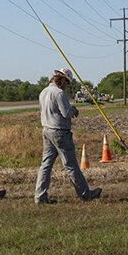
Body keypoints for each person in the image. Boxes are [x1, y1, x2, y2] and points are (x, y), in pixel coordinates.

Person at [34, 69, 101, 204]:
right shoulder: (59, 93)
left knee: (45, 165)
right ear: (63, 80)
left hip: (46, 130)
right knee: (70, 165)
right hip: (60, 132)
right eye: (67, 83)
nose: (66, 86)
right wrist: (74, 110)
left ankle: (40, 196)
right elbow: (66, 113)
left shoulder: (43, 92)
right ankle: (85, 194)